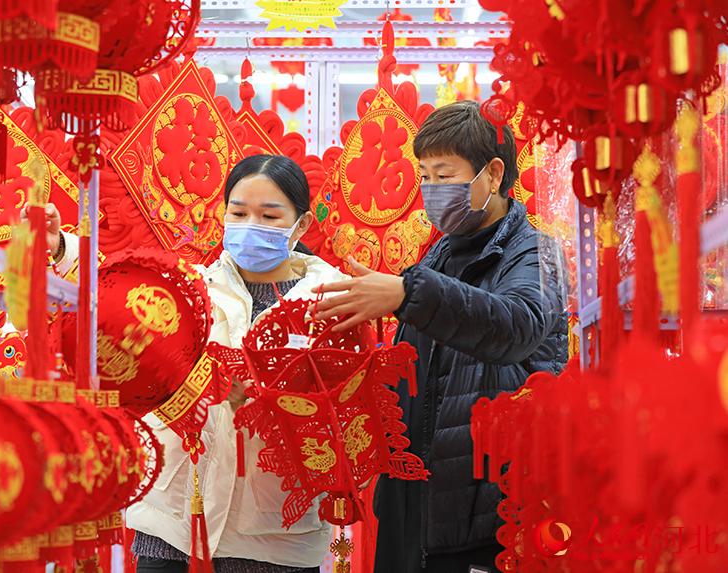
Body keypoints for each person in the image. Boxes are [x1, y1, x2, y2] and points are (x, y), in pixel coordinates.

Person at [47, 154, 347, 573]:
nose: (250, 225)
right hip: (173, 520)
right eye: (238, 213)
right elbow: (113, 304)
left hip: (273, 534)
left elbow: (347, 416)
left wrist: (269, 402)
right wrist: (61, 251)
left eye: (268, 216)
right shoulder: (193, 288)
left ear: (301, 225)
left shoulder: (335, 303)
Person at [312, 100, 568, 573]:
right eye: (425, 176)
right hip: (413, 511)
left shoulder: (535, 254)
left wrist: (407, 293)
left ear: (493, 174)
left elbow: (516, 326)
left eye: (445, 175)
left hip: (489, 517)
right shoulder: (437, 257)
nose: (431, 190)